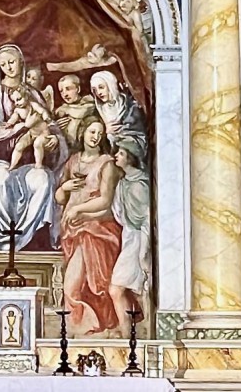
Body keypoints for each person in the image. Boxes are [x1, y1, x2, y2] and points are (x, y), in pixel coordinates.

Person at [0, 45, 68, 251]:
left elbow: (47, 123)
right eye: (3, 64)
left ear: (21, 62)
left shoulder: (33, 94)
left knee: (44, 179)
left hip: (29, 159)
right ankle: (2, 242)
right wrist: (19, 128)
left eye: (11, 62)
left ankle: (30, 241)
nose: (8, 67)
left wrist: (53, 139)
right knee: (0, 179)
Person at [56, 115, 123, 336]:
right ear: (83, 132)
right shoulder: (73, 161)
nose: (95, 137)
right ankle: (81, 333)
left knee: (82, 287)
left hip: (96, 230)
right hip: (73, 231)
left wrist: (79, 210)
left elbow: (105, 200)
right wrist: (65, 187)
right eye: (92, 132)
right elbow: (59, 198)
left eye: (99, 134)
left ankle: (86, 332)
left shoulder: (107, 163)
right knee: (79, 287)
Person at [109, 140, 151, 338]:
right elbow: (118, 212)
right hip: (129, 237)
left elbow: (146, 218)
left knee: (120, 288)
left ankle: (135, 333)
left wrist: (143, 251)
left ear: (130, 158)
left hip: (139, 240)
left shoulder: (140, 185)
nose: (116, 156)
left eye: (121, 153)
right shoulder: (124, 183)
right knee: (129, 289)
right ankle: (128, 334)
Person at [89, 71, 148, 167]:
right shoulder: (97, 111)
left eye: (101, 87)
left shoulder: (130, 106)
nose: (98, 93)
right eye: (95, 90)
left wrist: (122, 137)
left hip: (131, 156)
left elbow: (140, 134)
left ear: (111, 85)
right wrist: (106, 132)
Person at [4, 86, 56, 171]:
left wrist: (46, 117)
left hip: (43, 132)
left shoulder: (33, 105)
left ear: (26, 96)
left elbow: (42, 111)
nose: (16, 103)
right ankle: (12, 165)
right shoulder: (18, 110)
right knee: (19, 146)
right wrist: (10, 123)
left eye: (19, 99)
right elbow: (14, 117)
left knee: (37, 144)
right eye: (14, 101)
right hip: (31, 133)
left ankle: (38, 165)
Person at [54, 75, 96, 149]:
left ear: (78, 89)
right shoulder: (62, 108)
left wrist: (66, 110)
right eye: (61, 91)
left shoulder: (88, 104)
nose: (65, 94)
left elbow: (80, 113)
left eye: (68, 89)